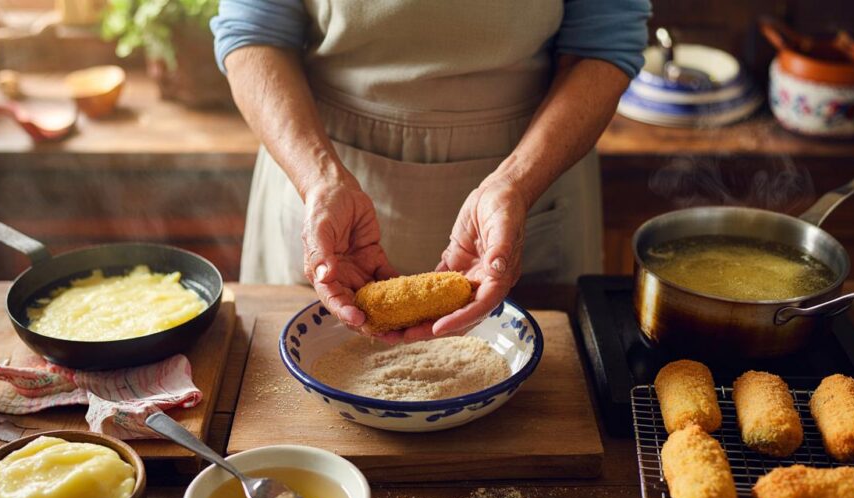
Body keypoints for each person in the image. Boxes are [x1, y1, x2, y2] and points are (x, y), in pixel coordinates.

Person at [213, 0, 650, 342]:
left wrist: (515, 185)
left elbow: (603, 44)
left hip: (532, 170)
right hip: (319, 162)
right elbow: (254, 33)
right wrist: (319, 180)